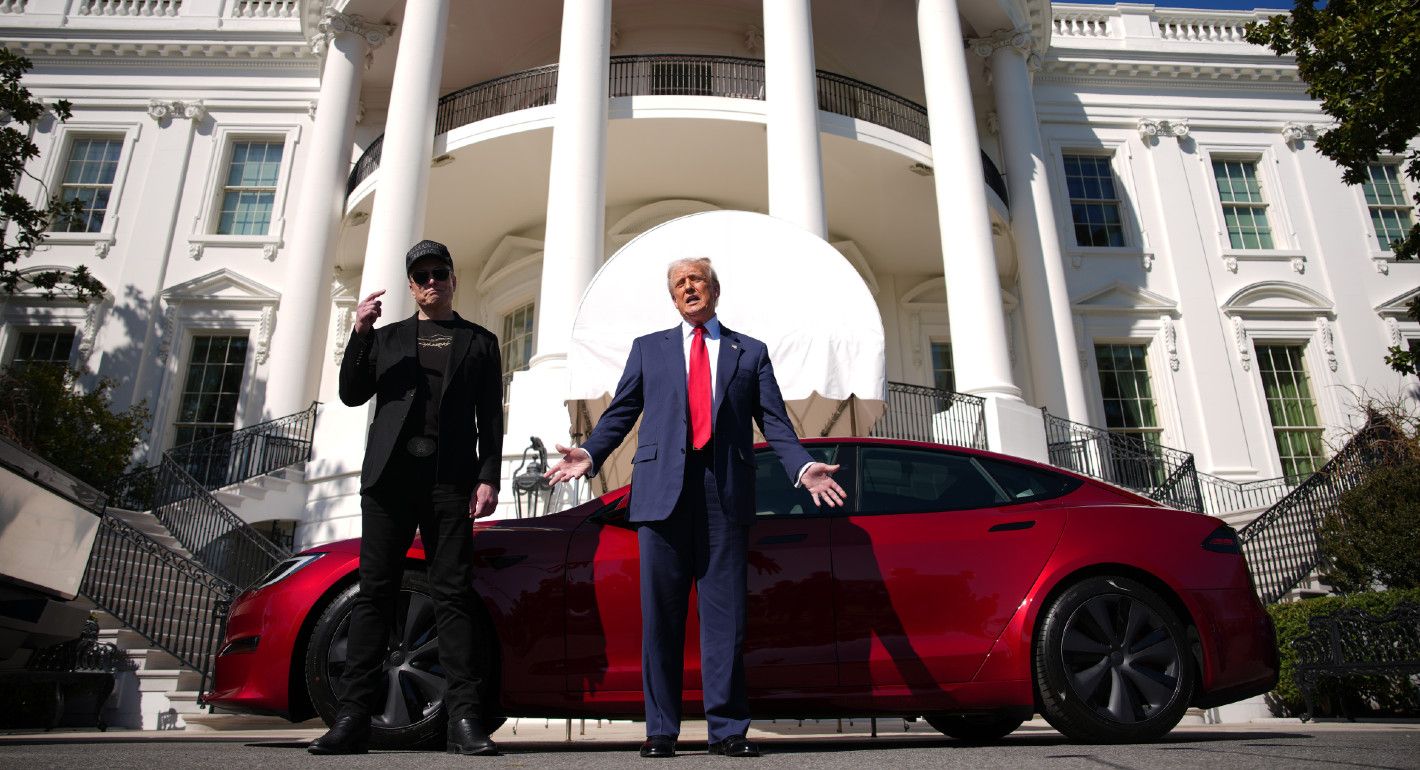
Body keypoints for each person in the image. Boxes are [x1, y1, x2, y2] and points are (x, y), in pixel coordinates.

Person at [544, 257, 845, 758]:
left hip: (723, 494)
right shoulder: (649, 349)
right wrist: (592, 452)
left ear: (715, 290)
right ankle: (661, 730)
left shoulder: (750, 352)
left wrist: (800, 466)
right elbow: (622, 411)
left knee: (725, 619)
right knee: (660, 618)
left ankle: (727, 730)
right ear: (672, 297)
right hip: (661, 494)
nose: (688, 288)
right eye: (679, 283)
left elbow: (774, 422)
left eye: (696, 280)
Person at [310, 239, 504, 757]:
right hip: (390, 482)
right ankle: (353, 718)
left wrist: (489, 477)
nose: (432, 282)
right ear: (412, 286)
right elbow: (353, 392)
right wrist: (360, 332)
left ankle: (464, 720)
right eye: (422, 276)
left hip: (450, 482)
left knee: (453, 595)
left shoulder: (480, 342)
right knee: (376, 593)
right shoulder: (389, 338)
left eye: (440, 272)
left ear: (452, 279)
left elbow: (492, 418)